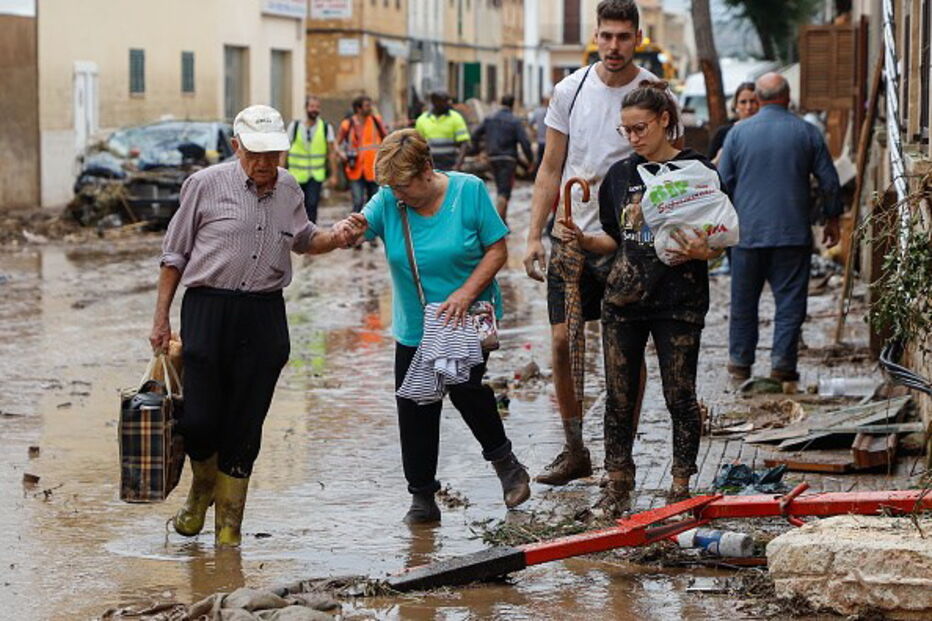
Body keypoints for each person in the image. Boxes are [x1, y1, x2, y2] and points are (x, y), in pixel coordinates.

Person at [150, 104, 355, 547]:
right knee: (201, 421)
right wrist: (161, 317)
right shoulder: (204, 186)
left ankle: (229, 531)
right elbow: (174, 256)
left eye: (274, 153)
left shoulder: (289, 188)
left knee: (246, 424)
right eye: (255, 153)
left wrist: (336, 238)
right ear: (236, 146)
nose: (265, 163)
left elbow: (304, 239)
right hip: (208, 309)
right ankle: (202, 487)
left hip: (264, 315)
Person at [339, 129, 531, 524]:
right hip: (416, 323)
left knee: (463, 387)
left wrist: (464, 293)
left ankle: (506, 463)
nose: (397, 195)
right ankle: (423, 499)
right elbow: (356, 231)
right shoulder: (391, 199)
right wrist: (344, 232)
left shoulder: (469, 191)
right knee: (414, 405)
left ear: (427, 169)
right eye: (392, 188)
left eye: (404, 186)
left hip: (467, 316)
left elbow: (497, 249)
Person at [558, 81, 722, 516]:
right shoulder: (620, 176)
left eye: (640, 128)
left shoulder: (697, 172)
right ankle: (617, 482)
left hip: (680, 300)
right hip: (624, 299)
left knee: (679, 395)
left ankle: (681, 485)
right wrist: (582, 239)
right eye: (626, 131)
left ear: (664, 121)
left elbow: (720, 237)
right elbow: (616, 239)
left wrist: (709, 251)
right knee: (618, 394)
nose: (632, 138)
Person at [522, 0, 668, 486]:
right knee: (562, 342)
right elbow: (550, 166)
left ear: (638, 38)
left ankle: (619, 454)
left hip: (628, 240)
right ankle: (573, 448)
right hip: (570, 235)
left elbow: (670, 170)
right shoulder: (571, 89)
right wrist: (531, 236)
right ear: (596, 35)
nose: (613, 46)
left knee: (624, 348)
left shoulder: (653, 93)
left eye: (623, 37)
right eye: (606, 36)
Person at [719, 73, 841, 382]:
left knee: (744, 302)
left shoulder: (737, 135)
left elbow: (722, 184)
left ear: (757, 100)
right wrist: (833, 219)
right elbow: (829, 182)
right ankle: (782, 365)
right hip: (792, 234)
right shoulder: (808, 132)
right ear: (788, 99)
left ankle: (740, 363)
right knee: (789, 303)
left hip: (746, 234)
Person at [473, 94, 535, 221]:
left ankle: (503, 220)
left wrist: (478, 150)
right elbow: (525, 143)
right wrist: (531, 161)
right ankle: (498, 223)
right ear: (513, 104)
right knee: (504, 191)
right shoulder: (514, 120)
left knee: (500, 188)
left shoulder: (489, 118)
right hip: (508, 159)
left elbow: (475, 135)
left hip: (492, 157)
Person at [286, 94, 339, 223]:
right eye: (312, 106)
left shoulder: (326, 128)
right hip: (295, 175)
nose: (315, 109)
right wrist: (280, 171)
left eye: (317, 107)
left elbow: (331, 153)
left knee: (312, 204)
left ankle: (310, 236)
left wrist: (334, 175)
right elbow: (284, 151)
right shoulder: (295, 127)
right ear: (306, 108)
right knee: (296, 206)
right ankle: (296, 233)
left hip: (316, 175)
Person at [336, 94, 388, 213]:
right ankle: (355, 227)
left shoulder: (376, 121)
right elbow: (336, 143)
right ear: (359, 108)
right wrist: (341, 154)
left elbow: (387, 139)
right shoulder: (347, 124)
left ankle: (371, 229)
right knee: (358, 202)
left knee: (374, 203)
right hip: (355, 169)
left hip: (374, 169)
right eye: (367, 106)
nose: (370, 108)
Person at [415, 91, 470, 171]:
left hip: (450, 166)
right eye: (445, 101)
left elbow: (464, 144)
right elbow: (417, 145)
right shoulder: (422, 120)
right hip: (430, 168)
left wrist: (457, 166)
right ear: (435, 102)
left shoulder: (456, 118)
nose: (449, 103)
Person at [706, 82, 758, 164]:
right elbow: (707, 169)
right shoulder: (722, 133)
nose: (748, 107)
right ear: (736, 106)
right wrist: (718, 159)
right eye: (743, 102)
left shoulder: (767, 132)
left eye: (753, 101)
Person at [529, 95, 550, 174]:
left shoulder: (536, 112)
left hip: (540, 140)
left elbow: (530, 123)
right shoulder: (549, 111)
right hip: (549, 141)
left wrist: (534, 132)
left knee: (540, 160)